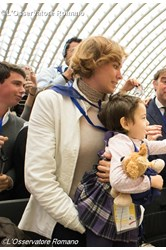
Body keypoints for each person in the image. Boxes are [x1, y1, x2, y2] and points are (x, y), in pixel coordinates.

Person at [18, 36, 137, 246]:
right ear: (94, 63)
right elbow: (38, 177)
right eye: (115, 66)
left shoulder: (116, 108)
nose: (120, 75)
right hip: (65, 225)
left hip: (112, 223)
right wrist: (84, 224)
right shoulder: (51, 101)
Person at [75, 94, 166, 246]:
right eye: (143, 117)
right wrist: (150, 181)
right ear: (125, 123)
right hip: (107, 210)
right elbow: (118, 181)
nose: (148, 122)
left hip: (123, 210)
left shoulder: (138, 142)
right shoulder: (120, 142)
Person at [0, 62, 26, 201]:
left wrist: (9, 180)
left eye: (23, 85)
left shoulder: (22, 126)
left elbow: (20, 165)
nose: (23, 90)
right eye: (17, 84)